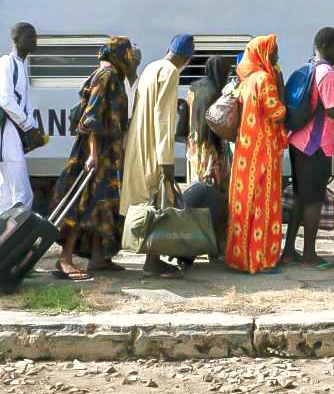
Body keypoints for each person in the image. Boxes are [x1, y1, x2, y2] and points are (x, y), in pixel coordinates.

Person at [51, 37, 134, 281]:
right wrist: (94, 155)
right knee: (83, 204)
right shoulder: (106, 76)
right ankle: (65, 258)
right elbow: (91, 118)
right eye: (127, 54)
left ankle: (99, 258)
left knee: (103, 204)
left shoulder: (112, 76)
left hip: (107, 154)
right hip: (95, 154)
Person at [120, 34, 194, 279]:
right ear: (187, 60)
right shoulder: (171, 73)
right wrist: (167, 161)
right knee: (159, 204)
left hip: (137, 144)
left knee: (143, 202)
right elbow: (164, 119)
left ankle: (150, 257)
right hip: (154, 148)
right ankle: (153, 261)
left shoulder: (152, 67)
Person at [281, 27, 334, 270]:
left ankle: (289, 251)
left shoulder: (310, 67)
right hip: (315, 145)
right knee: (313, 200)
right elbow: (332, 110)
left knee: (300, 197)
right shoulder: (328, 73)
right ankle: (309, 254)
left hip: (298, 140)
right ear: (328, 46)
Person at [225, 35, 287, 274]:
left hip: (245, 149)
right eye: (274, 52)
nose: (277, 57)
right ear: (263, 54)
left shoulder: (246, 80)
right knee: (262, 201)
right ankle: (258, 259)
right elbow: (277, 112)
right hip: (263, 150)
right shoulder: (265, 79)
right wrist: (281, 86)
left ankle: (239, 257)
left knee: (244, 201)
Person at [0, 23, 44, 220]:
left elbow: (20, 102)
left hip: (10, 139)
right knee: (22, 195)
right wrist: (28, 126)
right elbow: (6, 100)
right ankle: (13, 242)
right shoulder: (7, 63)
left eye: (35, 36)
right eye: (28, 37)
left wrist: (32, 126)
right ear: (16, 40)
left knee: (5, 195)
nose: (34, 40)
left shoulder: (20, 65)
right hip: (6, 139)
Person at [186, 55, 234, 190]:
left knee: (197, 185)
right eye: (227, 71)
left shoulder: (192, 88)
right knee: (215, 187)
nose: (228, 75)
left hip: (194, 144)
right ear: (221, 71)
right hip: (212, 146)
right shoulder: (218, 92)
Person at [182, 182, 228, 261]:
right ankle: (188, 255)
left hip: (183, 205)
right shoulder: (218, 203)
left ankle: (187, 255)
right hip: (186, 209)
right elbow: (207, 229)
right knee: (205, 229)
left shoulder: (213, 196)